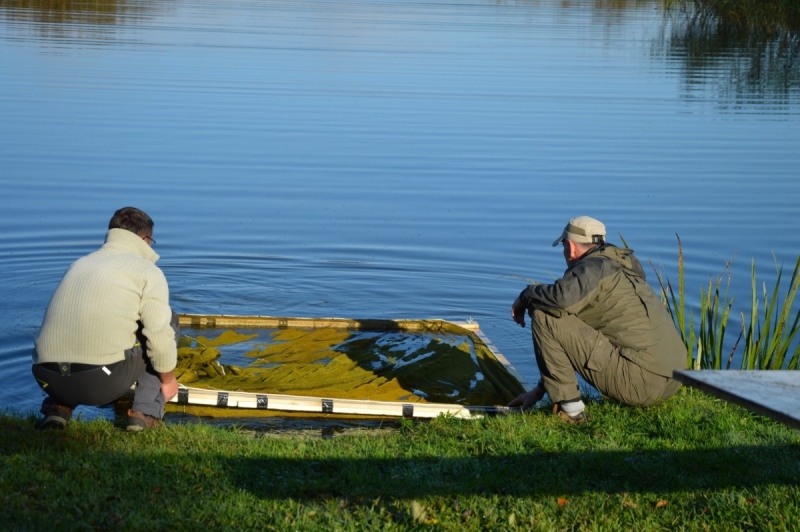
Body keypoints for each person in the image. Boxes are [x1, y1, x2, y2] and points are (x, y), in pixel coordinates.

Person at [508, 216, 686, 423]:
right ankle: (563, 401)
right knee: (560, 315)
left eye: (564, 245)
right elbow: (572, 339)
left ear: (571, 246)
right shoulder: (621, 265)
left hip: (642, 385)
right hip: (672, 381)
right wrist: (538, 391)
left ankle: (572, 413)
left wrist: (525, 296)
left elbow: (560, 300)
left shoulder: (592, 270)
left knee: (545, 314)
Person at [32, 207, 179, 431]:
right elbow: (158, 337)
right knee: (167, 321)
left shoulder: (79, 264)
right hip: (97, 383)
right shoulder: (147, 271)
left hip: (47, 379)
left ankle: (58, 409)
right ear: (145, 240)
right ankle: (145, 413)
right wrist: (168, 380)